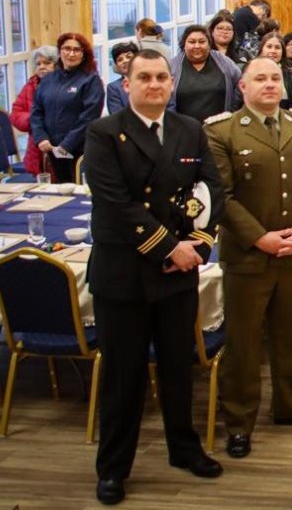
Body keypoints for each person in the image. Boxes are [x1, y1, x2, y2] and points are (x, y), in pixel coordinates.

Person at [84, 49, 224, 505]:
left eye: (162, 77)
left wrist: (199, 245)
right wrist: (171, 247)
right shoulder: (104, 133)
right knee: (123, 378)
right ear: (127, 84)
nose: (154, 84)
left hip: (177, 273)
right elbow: (116, 204)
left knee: (178, 369)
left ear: (171, 83)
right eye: (144, 77)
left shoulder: (189, 129)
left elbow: (212, 189)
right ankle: (113, 469)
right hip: (124, 275)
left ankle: (183, 449)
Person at [204, 58, 292, 460]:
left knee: (288, 335)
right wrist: (259, 238)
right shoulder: (221, 132)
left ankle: (291, 406)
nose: (269, 84)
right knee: (243, 345)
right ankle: (239, 423)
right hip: (248, 257)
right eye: (259, 78)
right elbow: (221, 196)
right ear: (243, 87)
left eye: (275, 78)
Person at [29, 32, 104, 183]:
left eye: (76, 50)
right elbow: (36, 112)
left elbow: (88, 118)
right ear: (60, 51)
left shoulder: (91, 80)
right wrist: (41, 138)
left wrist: (66, 145)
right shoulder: (48, 79)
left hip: (79, 150)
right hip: (52, 148)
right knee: (61, 190)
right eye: (67, 48)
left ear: (84, 54)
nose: (71, 54)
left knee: (80, 191)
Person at [169, 25, 242, 123]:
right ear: (184, 45)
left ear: (209, 44)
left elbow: (241, 83)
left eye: (202, 41)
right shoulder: (172, 66)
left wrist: (232, 112)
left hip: (220, 127)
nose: (197, 46)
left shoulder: (223, 62)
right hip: (183, 128)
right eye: (192, 42)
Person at [9, 45, 57, 176]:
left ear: (57, 64)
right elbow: (16, 114)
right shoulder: (30, 86)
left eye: (47, 63)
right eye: (38, 64)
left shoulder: (66, 85)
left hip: (61, 146)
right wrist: (35, 120)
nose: (42, 67)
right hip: (37, 148)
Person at [256, 33, 292, 111]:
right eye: (269, 47)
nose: (273, 51)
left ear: (283, 52)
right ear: (261, 50)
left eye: (277, 47)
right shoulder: (250, 73)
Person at [105, 41, 139, 115]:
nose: (125, 61)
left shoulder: (150, 79)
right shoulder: (114, 88)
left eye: (129, 57)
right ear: (116, 65)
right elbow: (116, 115)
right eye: (120, 60)